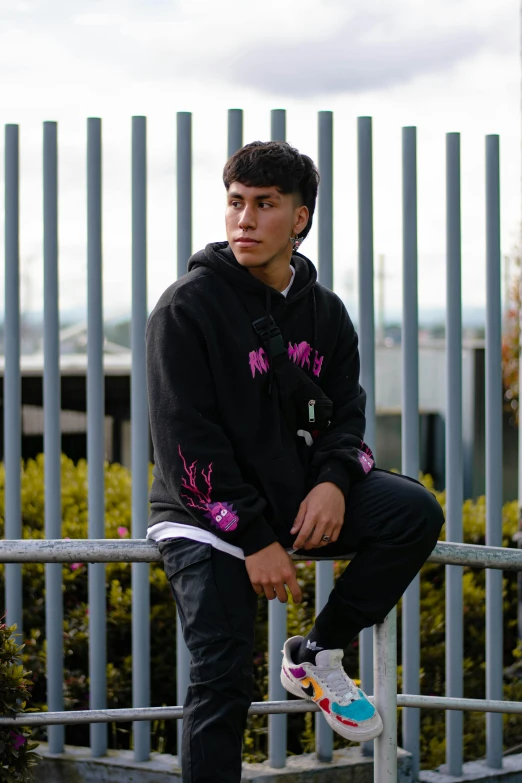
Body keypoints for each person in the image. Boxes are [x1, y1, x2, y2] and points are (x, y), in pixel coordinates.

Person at [145, 140, 444, 783]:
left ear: (300, 217)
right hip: (204, 512)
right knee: (223, 674)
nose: (244, 220)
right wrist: (252, 537)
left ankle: (318, 652)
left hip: (296, 500)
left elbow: (347, 419)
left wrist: (335, 482)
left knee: (413, 511)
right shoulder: (186, 308)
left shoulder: (326, 313)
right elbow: (184, 444)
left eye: (264, 204)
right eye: (235, 203)